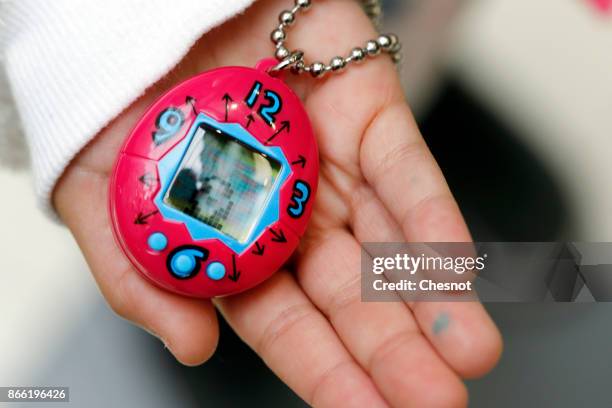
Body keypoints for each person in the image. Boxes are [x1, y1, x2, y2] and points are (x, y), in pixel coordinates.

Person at [1, 0, 502, 406]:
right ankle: (230, 366)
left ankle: (437, 110)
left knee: (397, 106)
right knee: (224, 317)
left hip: (393, 39)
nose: (217, 190)